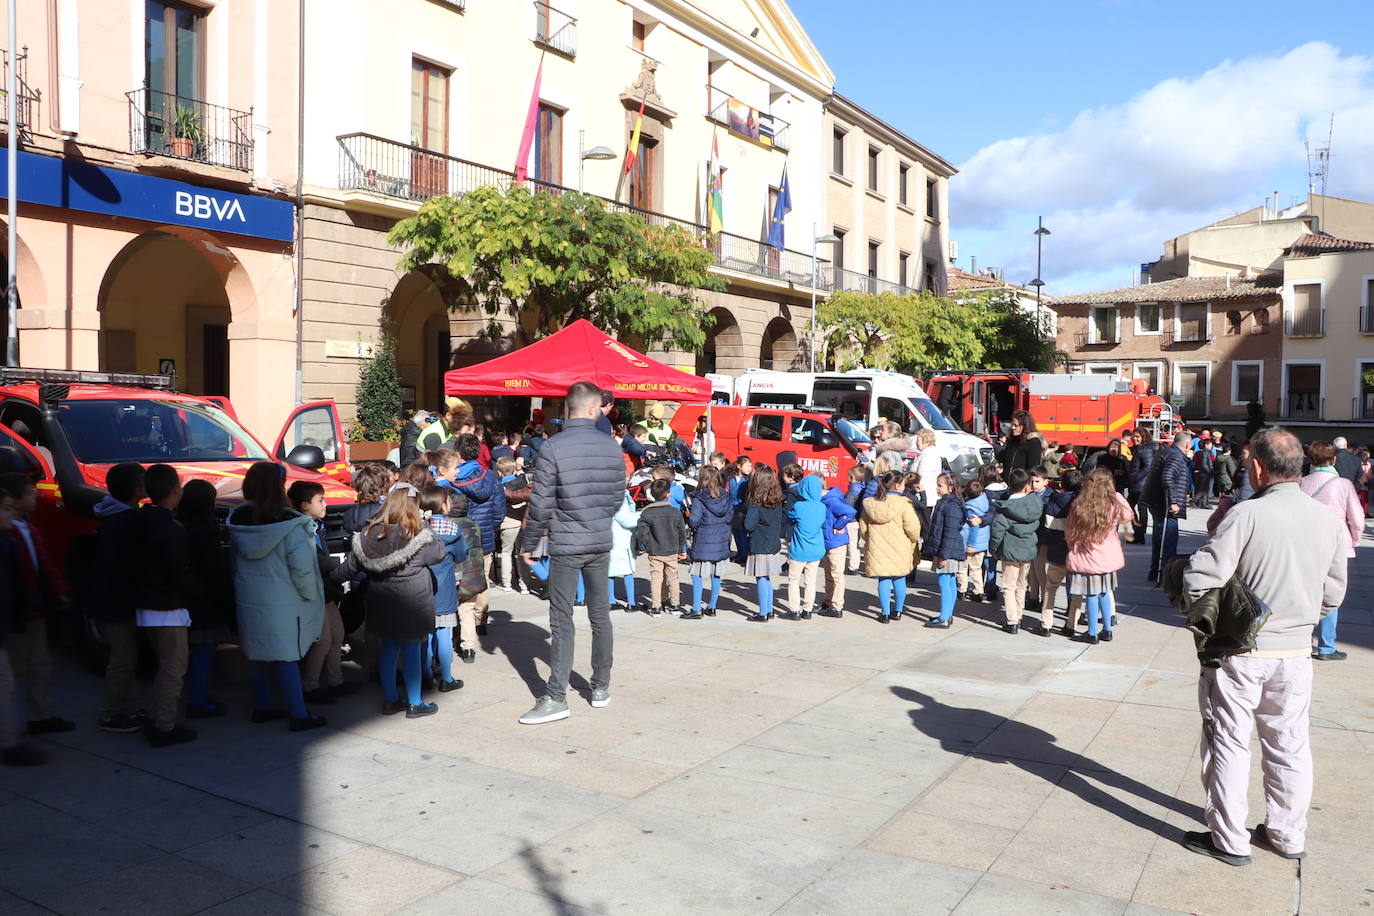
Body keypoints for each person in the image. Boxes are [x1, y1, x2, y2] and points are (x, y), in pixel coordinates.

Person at [1179, 427, 1346, 866]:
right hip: (1295, 652)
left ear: (1256, 466)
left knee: (1230, 743)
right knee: (1289, 743)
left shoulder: (1248, 515)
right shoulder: (1325, 518)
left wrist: (1201, 616)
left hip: (1241, 651)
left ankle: (1230, 839)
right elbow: (1334, 592)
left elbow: (1201, 578)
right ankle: (1287, 834)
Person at [518, 380, 626, 725]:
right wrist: (597, 519)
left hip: (567, 541)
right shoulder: (611, 447)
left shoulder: (555, 446)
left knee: (562, 619)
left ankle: (556, 696)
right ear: (595, 409)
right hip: (599, 538)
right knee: (600, 615)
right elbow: (616, 495)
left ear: (569, 409)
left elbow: (541, 502)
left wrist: (530, 543)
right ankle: (600, 687)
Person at [227, 462, 327, 733]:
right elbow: (303, 570)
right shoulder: (292, 525)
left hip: (250, 600)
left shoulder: (237, 520)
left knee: (259, 654)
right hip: (285, 602)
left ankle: (263, 707)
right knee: (287, 657)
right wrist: (311, 596)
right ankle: (299, 713)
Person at [332, 483, 444, 718]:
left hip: (381, 603)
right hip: (413, 606)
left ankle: (391, 700)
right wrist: (426, 526)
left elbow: (349, 569)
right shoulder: (418, 536)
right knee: (412, 651)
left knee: (388, 651)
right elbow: (438, 554)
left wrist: (327, 580)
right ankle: (415, 703)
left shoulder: (367, 536)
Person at [128, 465, 202, 746]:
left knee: (165, 666)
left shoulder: (138, 520)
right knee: (173, 669)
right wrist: (198, 590)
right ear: (175, 490)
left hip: (145, 605)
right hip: (167, 607)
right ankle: (164, 726)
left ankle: (159, 717)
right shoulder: (172, 528)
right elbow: (177, 573)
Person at [1, 474, 74, 737]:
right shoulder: (9, 534)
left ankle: (41, 716)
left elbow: (43, 565)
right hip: (18, 611)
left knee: (41, 665)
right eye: (30, 493)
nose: (36, 497)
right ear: (14, 499)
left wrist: (58, 592)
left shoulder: (28, 528)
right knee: (13, 673)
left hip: (35, 610)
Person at [91, 463, 148, 734]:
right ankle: (110, 714)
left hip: (115, 601)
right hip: (115, 602)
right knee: (123, 658)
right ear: (137, 489)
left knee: (128, 656)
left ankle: (132, 707)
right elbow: (119, 567)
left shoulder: (118, 518)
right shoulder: (122, 523)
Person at [1299, 442, 1363, 661]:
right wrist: (1353, 540)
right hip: (1336, 545)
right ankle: (1327, 646)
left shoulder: (1301, 483)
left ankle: (1303, 640)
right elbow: (1356, 517)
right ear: (1333, 460)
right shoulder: (1343, 484)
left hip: (1306, 544)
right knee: (1331, 593)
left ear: (1311, 460)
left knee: (1305, 593)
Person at [177, 479, 235, 718]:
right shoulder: (205, 528)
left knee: (195, 650)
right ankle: (199, 701)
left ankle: (197, 696)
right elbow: (213, 568)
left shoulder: (180, 524)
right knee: (205, 649)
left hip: (189, 598)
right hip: (207, 600)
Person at [289, 480, 349, 704]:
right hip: (314, 593)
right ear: (305, 505)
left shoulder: (314, 526)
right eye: (320, 500)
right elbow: (309, 562)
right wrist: (336, 564)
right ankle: (310, 686)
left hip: (325, 592)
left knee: (337, 635)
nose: (325, 505)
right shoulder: (299, 529)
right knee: (323, 641)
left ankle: (336, 680)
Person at [1066, 469, 1133, 644]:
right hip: (1108, 556)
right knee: (1104, 592)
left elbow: (1070, 531)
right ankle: (1107, 629)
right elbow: (1128, 515)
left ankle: (1092, 632)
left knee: (1091, 595)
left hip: (1088, 555)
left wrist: (1072, 548)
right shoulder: (1113, 504)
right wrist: (1118, 496)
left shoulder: (1079, 505)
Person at [0, 488, 43, 765]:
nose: (11, 513)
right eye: (5, 509)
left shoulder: (7, 541)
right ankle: (9, 743)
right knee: (5, 682)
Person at [448, 434, 505, 637]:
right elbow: (500, 509)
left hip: (458, 536)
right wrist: (492, 527)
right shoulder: (490, 476)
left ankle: (458, 621)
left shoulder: (452, 477)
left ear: (458, 453)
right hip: (484, 535)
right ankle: (479, 621)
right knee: (482, 579)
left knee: (457, 578)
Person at [419, 486, 466, 691]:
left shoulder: (419, 528)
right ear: (443, 505)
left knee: (426, 635)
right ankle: (446, 678)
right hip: (445, 587)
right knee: (444, 633)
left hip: (421, 587)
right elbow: (462, 555)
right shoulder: (453, 529)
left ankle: (426, 674)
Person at [988, 467, 1044, 635]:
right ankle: (1018, 615)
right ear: (1027, 486)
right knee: (1022, 585)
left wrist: (994, 549)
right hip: (1027, 550)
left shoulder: (1006, 507)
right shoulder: (1034, 505)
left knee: (1009, 586)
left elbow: (997, 531)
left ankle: (1012, 621)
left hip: (1010, 550)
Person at [861, 471, 922, 623]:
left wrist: (870, 540)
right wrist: (913, 541)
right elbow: (913, 527)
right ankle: (898, 611)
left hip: (878, 548)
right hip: (900, 547)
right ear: (897, 485)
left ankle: (885, 613)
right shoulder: (903, 504)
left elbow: (863, 528)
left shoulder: (871, 504)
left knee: (884, 579)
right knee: (899, 578)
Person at [684, 467, 731, 619]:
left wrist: (688, 517)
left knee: (696, 574)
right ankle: (712, 606)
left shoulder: (699, 498)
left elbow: (694, 521)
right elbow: (730, 516)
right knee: (716, 574)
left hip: (704, 540)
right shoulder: (725, 496)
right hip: (721, 539)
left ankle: (697, 608)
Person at [1145, 431, 1192, 582]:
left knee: (1160, 538)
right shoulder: (1176, 457)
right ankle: (1165, 575)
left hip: (1158, 502)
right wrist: (1173, 502)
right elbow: (1167, 477)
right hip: (1166, 505)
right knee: (1168, 540)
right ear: (1187, 445)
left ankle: (1156, 572)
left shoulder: (1167, 453)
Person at [635, 478, 686, 616]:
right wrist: (682, 549)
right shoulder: (675, 512)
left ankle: (656, 606)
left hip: (655, 551)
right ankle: (675, 605)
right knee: (673, 578)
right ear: (668, 494)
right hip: (671, 550)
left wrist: (646, 545)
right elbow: (682, 531)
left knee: (656, 578)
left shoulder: (647, 513)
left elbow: (641, 532)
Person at [1043, 469, 1083, 635]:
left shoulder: (1053, 502)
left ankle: (1046, 624)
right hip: (1076, 553)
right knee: (1076, 591)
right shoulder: (1081, 503)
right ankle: (1071, 624)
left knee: (1050, 588)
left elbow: (1049, 528)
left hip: (1057, 550)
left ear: (1061, 484)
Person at [743, 464, 786, 622]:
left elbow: (748, 524)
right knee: (767, 578)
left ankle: (762, 613)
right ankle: (769, 609)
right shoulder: (778, 500)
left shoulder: (756, 502)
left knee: (760, 577)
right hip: (773, 543)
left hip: (760, 543)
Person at [924, 472, 966, 628]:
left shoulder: (951, 505)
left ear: (951, 488)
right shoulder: (946, 502)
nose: (937, 488)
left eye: (940, 485)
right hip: (948, 549)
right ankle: (947, 614)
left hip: (948, 550)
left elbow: (950, 532)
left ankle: (944, 617)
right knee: (949, 581)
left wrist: (944, 555)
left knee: (945, 581)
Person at [782, 472, 826, 621]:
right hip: (816, 549)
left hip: (799, 549)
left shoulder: (799, 506)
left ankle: (794, 610)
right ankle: (807, 609)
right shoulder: (822, 507)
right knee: (810, 581)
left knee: (794, 580)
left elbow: (789, 518)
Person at [818, 480, 858, 618]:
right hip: (829, 541)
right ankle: (828, 601)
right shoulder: (824, 500)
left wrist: (839, 525)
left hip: (836, 542)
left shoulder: (831, 501)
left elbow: (850, 511)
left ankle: (836, 606)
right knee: (829, 574)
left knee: (836, 575)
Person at [495, 456, 531, 593]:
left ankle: (507, 583)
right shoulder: (522, 483)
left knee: (506, 552)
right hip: (523, 521)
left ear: (499, 472)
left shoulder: (499, 487)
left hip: (507, 522)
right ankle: (524, 584)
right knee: (521, 553)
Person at [959, 479, 990, 603]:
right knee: (976, 568)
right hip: (982, 543)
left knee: (963, 567)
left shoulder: (970, 507)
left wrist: (971, 544)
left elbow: (974, 527)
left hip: (971, 543)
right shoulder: (984, 502)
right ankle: (979, 590)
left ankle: (962, 589)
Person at [608, 491, 640, 611]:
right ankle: (631, 603)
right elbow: (626, 520)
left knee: (610, 570)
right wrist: (643, 514)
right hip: (622, 539)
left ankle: (610, 600)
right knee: (628, 570)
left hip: (610, 536)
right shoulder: (618, 495)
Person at [1125, 429, 1158, 545]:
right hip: (1139, 485)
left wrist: (1134, 478)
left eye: (1138, 436)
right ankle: (1139, 534)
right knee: (1133, 509)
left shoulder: (1144, 450)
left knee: (1135, 509)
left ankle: (1139, 534)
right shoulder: (1142, 449)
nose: (1135, 439)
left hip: (1141, 486)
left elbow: (1147, 467)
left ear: (1144, 437)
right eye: (1134, 436)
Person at [843, 464, 872, 574]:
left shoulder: (853, 489)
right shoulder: (863, 487)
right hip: (860, 519)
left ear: (852, 477)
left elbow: (848, 504)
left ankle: (853, 567)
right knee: (856, 544)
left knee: (852, 544)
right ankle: (856, 564)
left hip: (851, 520)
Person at [728, 455, 754, 564]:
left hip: (742, 509)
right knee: (736, 533)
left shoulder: (748, 480)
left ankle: (744, 555)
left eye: (750, 466)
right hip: (732, 508)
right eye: (747, 465)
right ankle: (739, 553)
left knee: (743, 534)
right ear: (739, 466)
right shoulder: (731, 478)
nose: (750, 468)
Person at [1193, 437, 1216, 509]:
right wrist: (1209, 471)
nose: (1211, 446)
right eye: (1210, 444)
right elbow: (1205, 464)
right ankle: (1195, 500)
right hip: (1204, 473)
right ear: (1206, 445)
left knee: (1205, 489)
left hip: (1202, 472)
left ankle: (1204, 503)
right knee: (1203, 490)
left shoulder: (1206, 452)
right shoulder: (1205, 453)